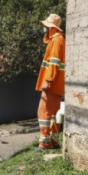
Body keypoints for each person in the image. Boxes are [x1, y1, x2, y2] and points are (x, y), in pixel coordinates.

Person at [35, 14, 65, 152]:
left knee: (43, 112)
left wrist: (48, 80)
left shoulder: (57, 40)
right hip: (55, 85)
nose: (44, 28)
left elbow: (54, 63)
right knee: (52, 114)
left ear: (52, 27)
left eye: (46, 26)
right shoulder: (57, 40)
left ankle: (45, 143)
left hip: (52, 84)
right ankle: (52, 140)